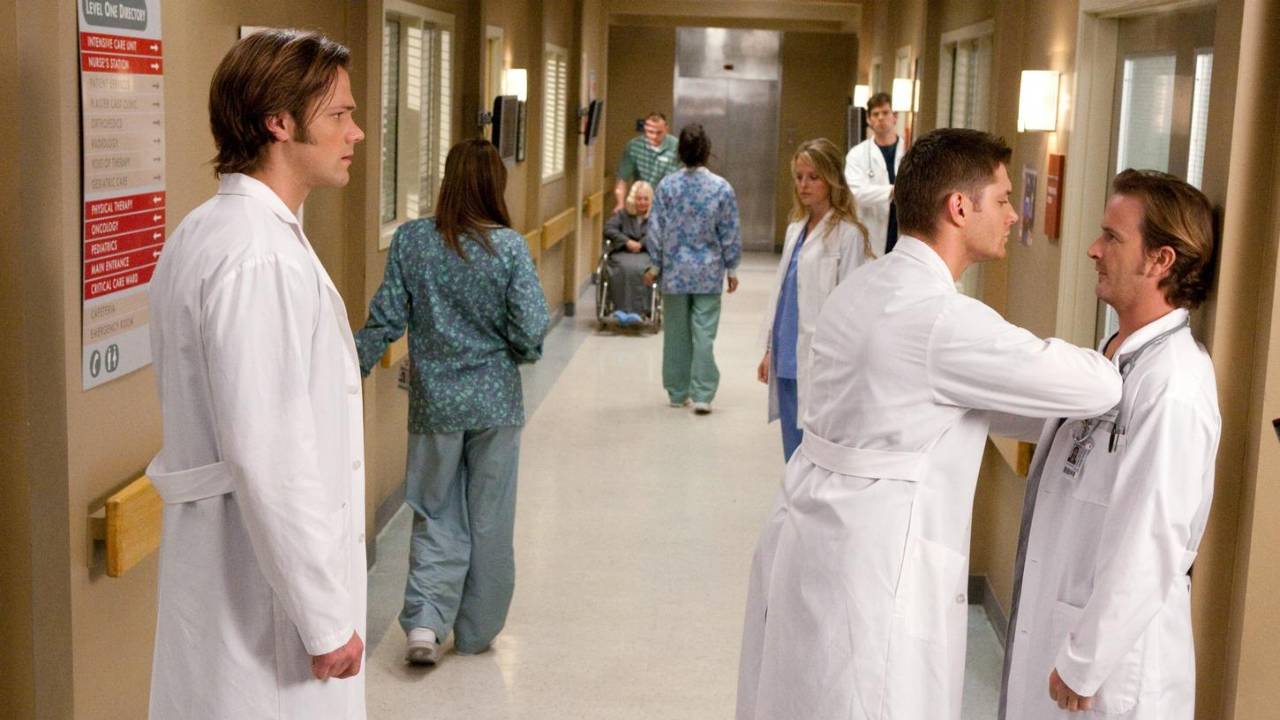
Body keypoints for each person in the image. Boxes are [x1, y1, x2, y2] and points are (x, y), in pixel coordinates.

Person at [736, 128, 1124, 720]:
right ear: (959, 207)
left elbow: (959, 404)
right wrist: (1125, 346)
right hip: (877, 559)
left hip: (814, 535)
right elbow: (1098, 385)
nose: (1013, 216)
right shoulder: (944, 320)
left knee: (807, 694)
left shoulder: (863, 287)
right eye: (1002, 200)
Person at [146, 30, 368, 719]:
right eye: (338, 115)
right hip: (263, 604)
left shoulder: (205, 232)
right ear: (279, 122)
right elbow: (269, 453)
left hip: (228, 576)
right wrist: (324, 620)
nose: (355, 133)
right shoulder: (259, 258)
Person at [998, 170, 1220, 719]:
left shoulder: (1175, 385)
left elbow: (1153, 536)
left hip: (1114, 670)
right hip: (1065, 631)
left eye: (1113, 237)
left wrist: (1086, 659)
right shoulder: (1114, 354)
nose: (1094, 250)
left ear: (1161, 260)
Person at [354, 138, 550, 666]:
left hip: (435, 404)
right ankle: (475, 631)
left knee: (435, 509)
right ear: (495, 185)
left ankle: (425, 622)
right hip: (495, 404)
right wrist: (518, 351)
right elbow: (531, 329)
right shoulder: (508, 248)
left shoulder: (413, 240)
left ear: (447, 181)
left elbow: (385, 318)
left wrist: (346, 368)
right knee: (490, 516)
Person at [757, 138, 875, 461]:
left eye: (813, 177)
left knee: (815, 450)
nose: (804, 185)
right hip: (787, 353)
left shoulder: (848, 234)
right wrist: (769, 349)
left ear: (832, 179)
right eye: (799, 177)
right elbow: (782, 295)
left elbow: (852, 308)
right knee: (792, 449)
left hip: (822, 359)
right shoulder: (796, 229)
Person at [644, 124, 741, 415]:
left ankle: (677, 392)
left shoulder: (667, 187)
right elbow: (729, 230)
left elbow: (656, 228)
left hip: (674, 272)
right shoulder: (721, 188)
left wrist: (655, 265)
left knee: (675, 334)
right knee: (704, 334)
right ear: (707, 151)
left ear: (679, 152)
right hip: (708, 274)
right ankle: (703, 394)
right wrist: (732, 268)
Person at [844, 92, 903, 255]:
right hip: (872, 233)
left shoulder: (910, 152)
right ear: (869, 120)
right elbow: (857, 193)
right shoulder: (857, 155)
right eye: (875, 114)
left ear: (895, 116)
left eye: (885, 112)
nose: (881, 118)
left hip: (901, 230)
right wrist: (893, 191)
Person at [602, 180, 655, 324]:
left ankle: (639, 311)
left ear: (651, 200)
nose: (642, 202)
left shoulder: (656, 217)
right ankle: (620, 310)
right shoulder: (623, 214)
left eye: (646, 199)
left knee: (639, 269)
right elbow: (608, 229)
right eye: (639, 198)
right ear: (633, 199)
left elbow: (659, 234)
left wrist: (641, 243)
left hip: (645, 253)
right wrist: (626, 241)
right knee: (622, 268)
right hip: (622, 252)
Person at [614, 111, 679, 213]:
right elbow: (622, 179)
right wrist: (620, 204)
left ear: (666, 129)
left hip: (667, 205)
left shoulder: (677, 147)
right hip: (641, 203)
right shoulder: (634, 146)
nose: (654, 136)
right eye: (650, 132)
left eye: (659, 133)